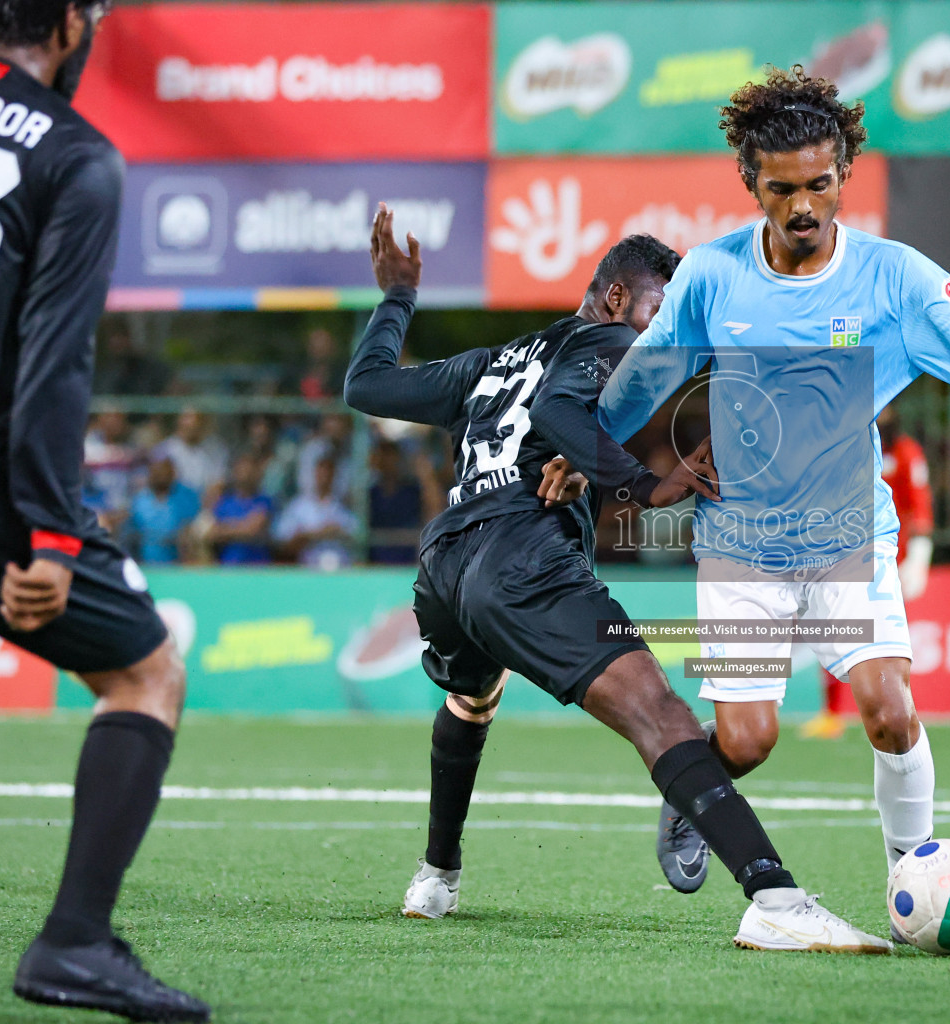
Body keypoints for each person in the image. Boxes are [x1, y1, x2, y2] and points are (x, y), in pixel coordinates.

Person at [595, 67, 950, 918]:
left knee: (890, 712)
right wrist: (580, 448)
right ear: (752, 182)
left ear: (844, 174)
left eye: (819, 185)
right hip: (741, 539)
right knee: (748, 742)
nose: (802, 206)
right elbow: (640, 382)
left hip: (845, 530)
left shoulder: (893, 278)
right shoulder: (714, 276)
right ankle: (693, 792)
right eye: (782, 189)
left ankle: (916, 870)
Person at [345, 205, 886, 953]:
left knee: (472, 698)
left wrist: (398, 297)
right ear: (615, 299)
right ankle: (774, 897)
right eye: (658, 313)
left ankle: (436, 876)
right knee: (660, 713)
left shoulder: (490, 363)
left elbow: (367, 386)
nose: (660, 336)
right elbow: (562, 408)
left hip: (443, 565)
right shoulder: (605, 339)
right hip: (521, 559)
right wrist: (644, 486)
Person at [0, 3, 209, 1019]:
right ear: (69, 23)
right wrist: (54, 535)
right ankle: (70, 942)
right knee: (144, 670)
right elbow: (53, 364)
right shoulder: (74, 154)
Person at [801, 403, 932, 740]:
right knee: (831, 631)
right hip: (847, 558)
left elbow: (920, 505)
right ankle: (831, 714)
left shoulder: (906, 452)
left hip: (892, 564)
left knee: (887, 646)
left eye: (887, 407)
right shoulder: (847, 451)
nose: (881, 413)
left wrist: (919, 554)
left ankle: (897, 709)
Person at [367, 438, 445, 564]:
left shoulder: (411, 491)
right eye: (383, 456)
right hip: (375, 557)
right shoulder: (369, 494)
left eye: (390, 456)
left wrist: (426, 474)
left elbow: (436, 509)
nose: (387, 462)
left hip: (408, 555)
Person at [273, 454, 358, 570]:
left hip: (340, 573)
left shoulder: (343, 507)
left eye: (329, 471)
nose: (325, 476)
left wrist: (336, 532)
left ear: (334, 475)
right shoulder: (298, 506)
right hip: (308, 572)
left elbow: (356, 535)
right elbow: (284, 541)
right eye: (321, 471)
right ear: (315, 474)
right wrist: (319, 533)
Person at [126, 455, 199, 565]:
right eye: (156, 471)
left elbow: (194, 525)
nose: (161, 475)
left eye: (165, 470)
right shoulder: (140, 499)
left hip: (180, 560)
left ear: (173, 473)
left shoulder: (188, 496)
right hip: (144, 560)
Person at [204, 454, 273, 565]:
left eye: (250, 470)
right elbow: (212, 533)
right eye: (243, 470)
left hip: (258, 568)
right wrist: (243, 526)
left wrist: (225, 528)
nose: (246, 475)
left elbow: (252, 530)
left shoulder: (265, 501)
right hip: (229, 568)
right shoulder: (224, 502)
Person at [151, 408, 227, 498]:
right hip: (175, 504)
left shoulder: (216, 449)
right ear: (179, 422)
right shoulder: (164, 449)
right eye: (186, 418)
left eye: (198, 420)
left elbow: (219, 482)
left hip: (207, 504)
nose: (192, 425)